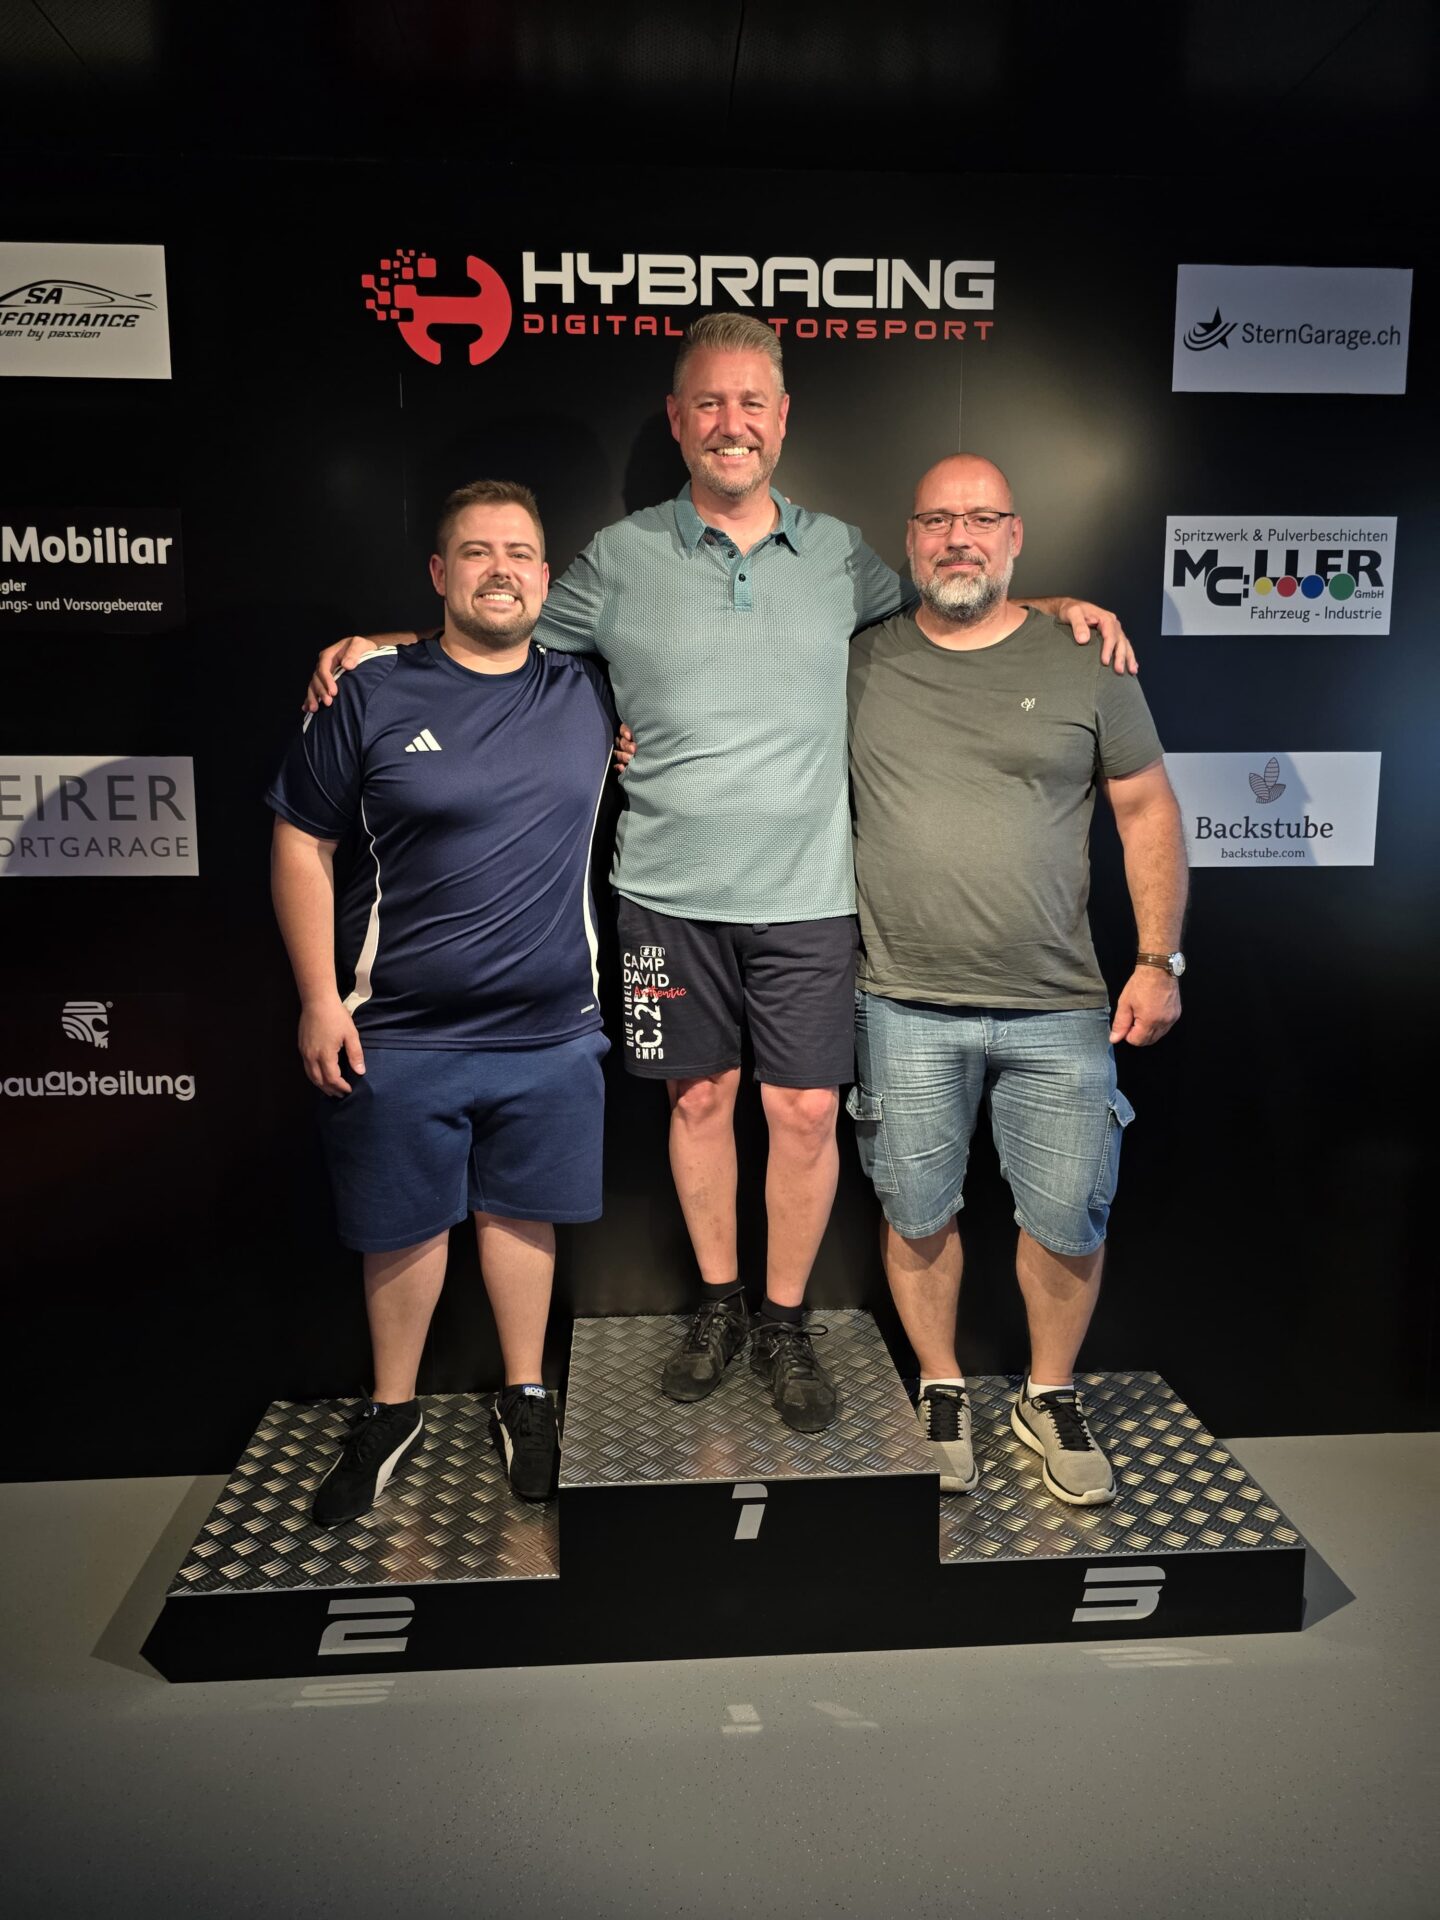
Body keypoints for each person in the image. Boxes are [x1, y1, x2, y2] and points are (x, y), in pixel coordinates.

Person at [307, 313, 1134, 1436]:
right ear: (677, 419)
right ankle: (719, 1305)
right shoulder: (618, 559)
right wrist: (384, 650)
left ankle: (785, 1321)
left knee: (803, 1114)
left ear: (783, 421)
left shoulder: (841, 556)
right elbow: (493, 629)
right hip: (664, 896)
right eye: (708, 402)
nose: (730, 423)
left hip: (811, 896)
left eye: (752, 403)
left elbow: (954, 606)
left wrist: (1053, 610)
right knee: (699, 1102)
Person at [269, 480, 615, 1523]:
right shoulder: (370, 691)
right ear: (439, 572)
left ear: (545, 577)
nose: (499, 570)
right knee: (402, 1225)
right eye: (475, 552)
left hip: (551, 1032)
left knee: (524, 1213)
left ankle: (526, 1396)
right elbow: (302, 841)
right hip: (400, 1032)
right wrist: (318, 998)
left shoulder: (594, 690)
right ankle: (392, 1409)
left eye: (518, 553)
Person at [847, 454, 1186, 1506]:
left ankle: (1049, 1393)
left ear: (1016, 535)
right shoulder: (859, 659)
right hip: (902, 999)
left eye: (982, 519)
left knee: (1068, 1215)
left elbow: (1147, 810)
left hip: (1060, 1005)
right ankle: (941, 1386)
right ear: (910, 539)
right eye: (938, 520)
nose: (959, 537)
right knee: (915, 1210)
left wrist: (1159, 960)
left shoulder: (1087, 661)